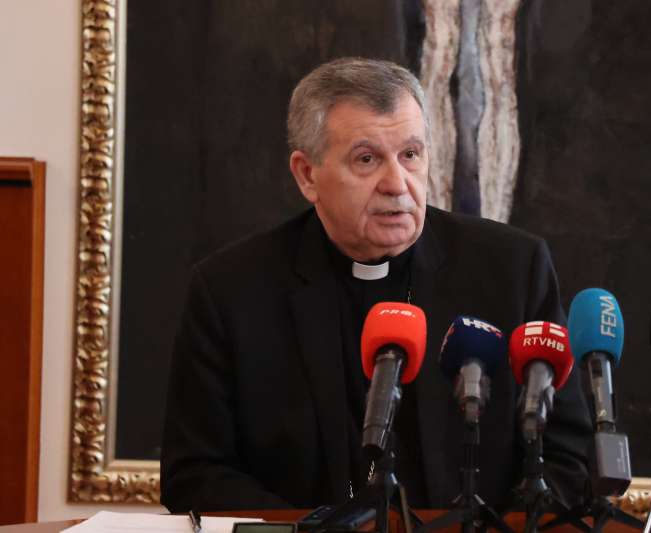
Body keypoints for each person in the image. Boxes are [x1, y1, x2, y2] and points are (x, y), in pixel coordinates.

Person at [160, 57, 592, 513]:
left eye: (411, 155)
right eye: (367, 160)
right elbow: (195, 475)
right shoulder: (231, 292)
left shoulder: (512, 269)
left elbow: (568, 455)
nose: (397, 183)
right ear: (307, 174)